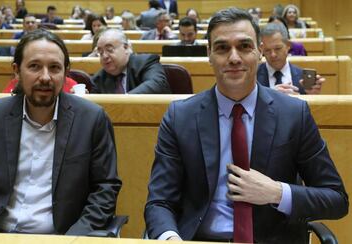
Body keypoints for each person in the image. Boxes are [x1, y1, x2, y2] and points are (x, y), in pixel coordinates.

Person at [145, 7, 348, 243]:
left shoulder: (294, 114)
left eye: (244, 46)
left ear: (259, 52)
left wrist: (277, 192)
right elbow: (159, 202)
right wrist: (170, 237)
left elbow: (336, 199)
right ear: (209, 54)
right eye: (222, 48)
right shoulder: (180, 116)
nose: (234, 57)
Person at [0, 29, 121, 235]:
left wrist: (74, 238)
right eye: (34, 67)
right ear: (16, 71)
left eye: (54, 68)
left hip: (60, 237)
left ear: (65, 72)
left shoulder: (91, 119)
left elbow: (105, 189)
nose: (45, 77)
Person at [92, 29, 170, 94]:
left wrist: (123, 101)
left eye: (109, 50)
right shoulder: (98, 79)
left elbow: (157, 84)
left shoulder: (146, 62)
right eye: (100, 52)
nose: (104, 56)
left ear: (126, 48)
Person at [258, 22, 325, 95]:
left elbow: (309, 105)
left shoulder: (302, 77)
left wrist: (310, 96)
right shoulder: (253, 77)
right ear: (262, 49)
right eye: (267, 50)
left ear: (288, 46)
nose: (273, 55)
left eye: (277, 49)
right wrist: (272, 95)